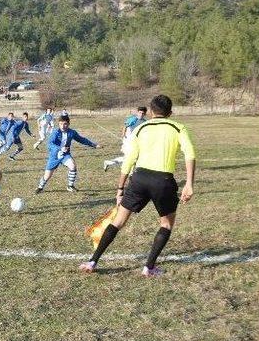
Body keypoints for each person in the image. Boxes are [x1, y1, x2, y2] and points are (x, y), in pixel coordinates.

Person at [79, 95, 196, 277]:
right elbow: (190, 154)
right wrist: (189, 183)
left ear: (150, 112)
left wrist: (120, 189)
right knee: (166, 224)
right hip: (163, 182)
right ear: (171, 113)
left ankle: (92, 261)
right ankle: (148, 267)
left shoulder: (141, 128)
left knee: (118, 222)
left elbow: (129, 161)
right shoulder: (178, 127)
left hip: (139, 179)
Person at [35, 115, 100, 193]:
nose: (62, 126)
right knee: (47, 176)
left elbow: (81, 139)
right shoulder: (55, 132)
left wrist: (94, 145)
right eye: (61, 124)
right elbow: (50, 144)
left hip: (65, 155)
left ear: (68, 124)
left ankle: (70, 186)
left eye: (65, 124)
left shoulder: (72, 132)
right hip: (54, 156)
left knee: (73, 166)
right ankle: (40, 187)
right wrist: (59, 149)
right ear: (58, 124)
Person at [103, 107, 147, 171]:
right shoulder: (133, 119)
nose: (141, 114)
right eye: (140, 112)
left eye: (143, 113)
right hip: (128, 140)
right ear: (137, 112)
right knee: (129, 157)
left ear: (145, 114)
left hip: (137, 141)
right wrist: (123, 135)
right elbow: (125, 126)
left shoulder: (144, 122)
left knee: (131, 157)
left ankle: (108, 163)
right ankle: (130, 170)